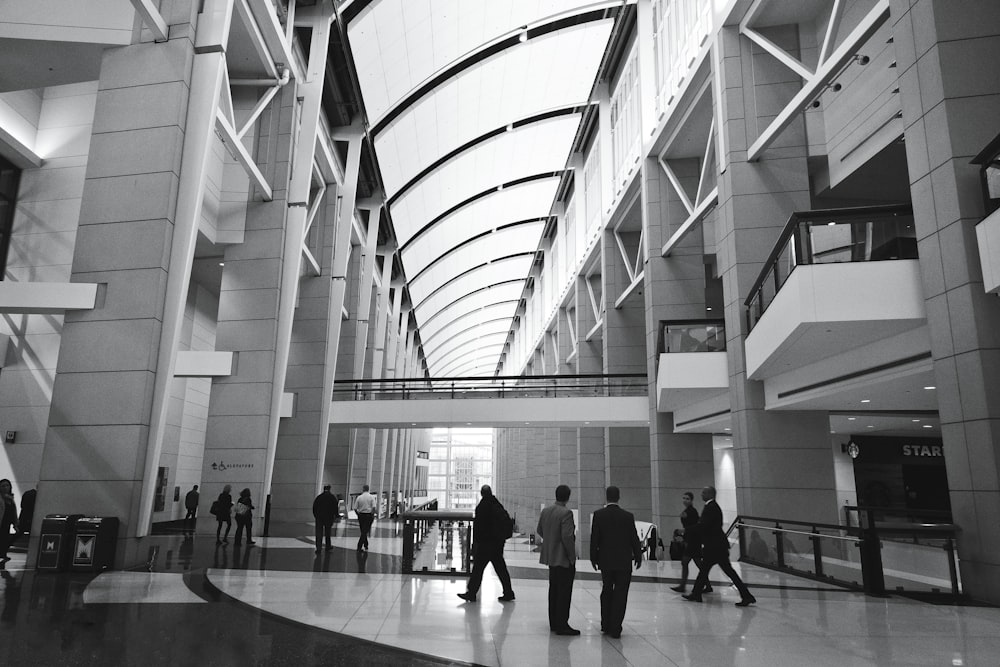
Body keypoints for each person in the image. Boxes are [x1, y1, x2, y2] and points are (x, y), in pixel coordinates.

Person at [683, 486, 756, 607]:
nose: (701, 494)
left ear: (710, 494)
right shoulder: (712, 507)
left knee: (717, 571)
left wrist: (686, 530)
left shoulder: (711, 508)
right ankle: (696, 593)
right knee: (709, 570)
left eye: (704, 492)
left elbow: (704, 525)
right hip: (716, 546)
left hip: (714, 547)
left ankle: (746, 596)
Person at [590, 485, 642, 639]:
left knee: (607, 590)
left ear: (606, 497)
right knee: (621, 592)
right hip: (623, 561)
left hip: (605, 560)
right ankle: (616, 627)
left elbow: (595, 539)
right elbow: (634, 538)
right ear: (619, 497)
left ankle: (605, 623)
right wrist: (638, 556)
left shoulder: (599, 515)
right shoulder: (627, 516)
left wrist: (593, 558)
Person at [457, 485, 515, 603]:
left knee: (478, 569)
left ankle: (471, 593)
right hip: (497, 543)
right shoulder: (496, 503)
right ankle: (508, 592)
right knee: (501, 569)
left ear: (481, 493)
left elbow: (479, 527)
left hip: (486, 544)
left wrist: (475, 544)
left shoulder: (482, 506)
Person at [537, 484, 578, 635]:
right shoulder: (566, 513)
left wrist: (550, 541)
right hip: (563, 558)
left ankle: (553, 622)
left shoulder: (546, 511)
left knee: (553, 589)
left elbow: (539, 529)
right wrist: (572, 556)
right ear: (567, 497)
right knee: (564, 591)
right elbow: (567, 537)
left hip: (551, 557)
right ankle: (562, 624)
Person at [671, 491, 711, 594]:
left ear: (691, 500)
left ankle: (683, 585)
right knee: (697, 563)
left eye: (687, 498)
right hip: (692, 540)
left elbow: (693, 527)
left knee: (686, 561)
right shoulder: (688, 511)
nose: (685, 500)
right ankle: (706, 584)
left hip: (693, 541)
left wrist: (683, 532)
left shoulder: (692, 511)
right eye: (684, 498)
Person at [313, 485, 338, 553]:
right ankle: (328, 546)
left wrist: (316, 516)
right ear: (329, 489)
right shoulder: (332, 497)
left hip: (319, 517)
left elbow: (314, 507)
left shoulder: (319, 497)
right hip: (328, 517)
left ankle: (318, 548)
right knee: (328, 532)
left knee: (319, 532)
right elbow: (335, 508)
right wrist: (336, 516)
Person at [353, 484, 376, 552]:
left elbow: (355, 508)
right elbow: (374, 507)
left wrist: (358, 515)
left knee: (363, 530)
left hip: (361, 516)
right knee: (365, 531)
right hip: (368, 515)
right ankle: (359, 546)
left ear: (363, 489)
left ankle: (366, 544)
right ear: (368, 489)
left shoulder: (359, 497)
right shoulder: (371, 497)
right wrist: (372, 514)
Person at [0, 479, 17, 564]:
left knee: (5, 538)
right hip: (1, 521)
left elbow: (13, 511)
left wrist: (15, 523)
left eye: (7, 485)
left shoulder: (10, 498)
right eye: (3, 486)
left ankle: (3, 553)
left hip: (7, 523)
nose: (5, 487)